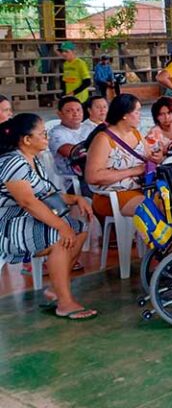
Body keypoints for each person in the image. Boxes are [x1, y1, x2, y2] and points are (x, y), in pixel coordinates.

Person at [0, 114, 96, 319]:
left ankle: (56, 289)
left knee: (79, 230)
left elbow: (47, 194)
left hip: (25, 219)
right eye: (43, 134)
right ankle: (65, 302)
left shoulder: (33, 160)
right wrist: (61, 226)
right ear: (27, 140)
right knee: (61, 238)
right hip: (7, 226)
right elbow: (28, 202)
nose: (47, 138)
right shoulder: (13, 163)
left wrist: (75, 199)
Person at [85, 95, 163, 222]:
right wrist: (133, 171)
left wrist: (157, 158)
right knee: (152, 208)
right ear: (124, 115)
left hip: (142, 188)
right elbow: (92, 177)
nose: (140, 115)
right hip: (112, 195)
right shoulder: (103, 139)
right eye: (136, 111)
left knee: (170, 203)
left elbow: (149, 159)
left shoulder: (136, 134)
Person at [48, 97, 92, 178]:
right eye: (69, 111)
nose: (75, 114)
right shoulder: (55, 133)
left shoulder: (90, 128)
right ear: (60, 114)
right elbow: (74, 152)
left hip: (96, 170)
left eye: (78, 110)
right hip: (75, 178)